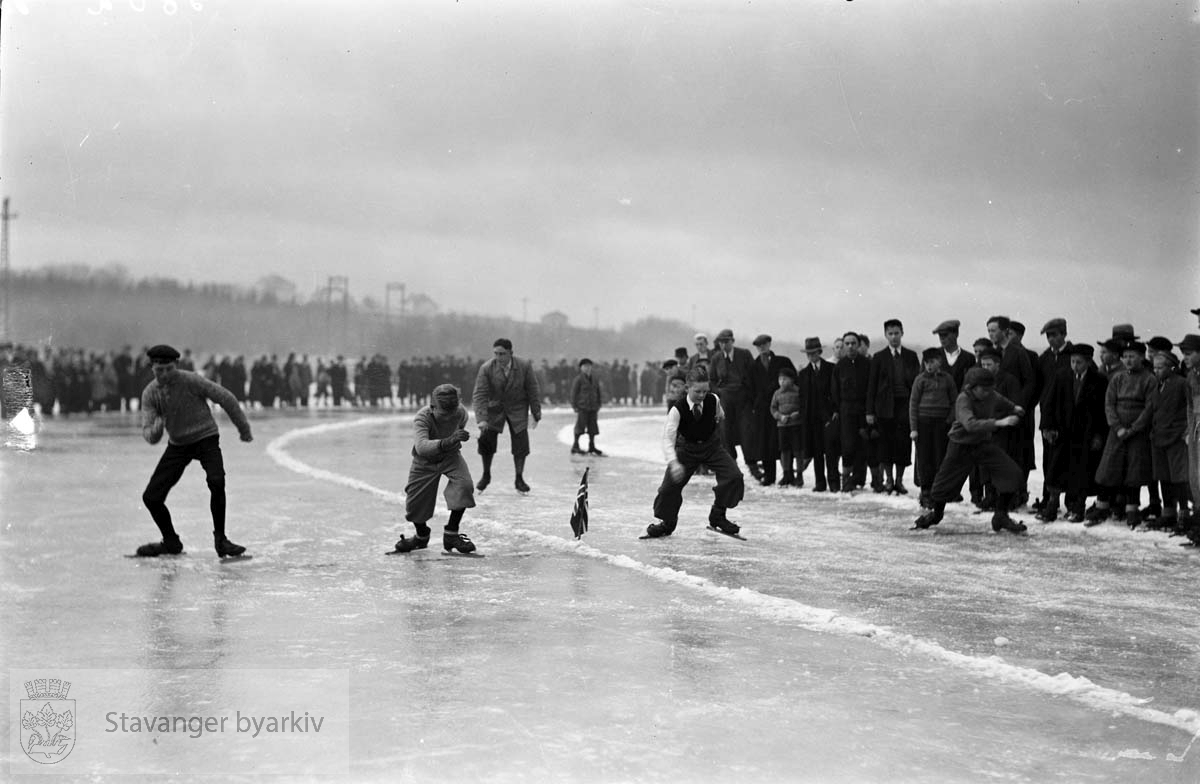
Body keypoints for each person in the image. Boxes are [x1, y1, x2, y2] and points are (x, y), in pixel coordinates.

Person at [136, 344, 253, 558]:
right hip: (178, 444)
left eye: (169, 369)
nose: (164, 375)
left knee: (217, 481)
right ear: (152, 368)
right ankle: (171, 541)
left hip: (205, 437)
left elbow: (225, 397)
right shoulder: (150, 393)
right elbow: (149, 434)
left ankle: (221, 540)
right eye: (159, 370)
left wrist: (243, 428)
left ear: (177, 366)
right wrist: (156, 429)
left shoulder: (191, 380)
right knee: (151, 497)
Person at [912, 367, 1028, 534]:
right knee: (942, 487)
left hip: (982, 445)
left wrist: (1014, 407)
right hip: (960, 446)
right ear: (973, 387)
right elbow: (970, 424)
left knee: (1012, 473)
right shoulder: (963, 400)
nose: (988, 393)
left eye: (990, 388)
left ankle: (1001, 516)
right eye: (984, 389)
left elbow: (1000, 400)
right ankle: (935, 515)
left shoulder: (991, 394)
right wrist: (999, 423)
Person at [644, 366, 744, 538]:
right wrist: (674, 463)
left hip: (711, 447)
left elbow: (720, 414)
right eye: (698, 391)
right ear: (687, 388)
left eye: (705, 391)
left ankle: (718, 515)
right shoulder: (677, 410)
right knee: (668, 489)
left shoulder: (713, 399)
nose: (702, 395)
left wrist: (719, 417)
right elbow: (668, 439)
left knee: (734, 476)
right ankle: (667, 523)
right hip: (686, 450)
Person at [392, 384, 477, 554]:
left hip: (450, 457)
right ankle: (421, 536)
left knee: (464, 486)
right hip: (424, 461)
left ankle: (451, 533)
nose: (448, 417)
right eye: (444, 413)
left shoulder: (460, 412)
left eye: (452, 413)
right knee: (415, 504)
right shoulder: (422, 418)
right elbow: (422, 447)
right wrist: (450, 440)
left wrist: (457, 438)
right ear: (433, 406)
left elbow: (459, 425)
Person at [1038, 344, 1108, 523]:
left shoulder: (1098, 380)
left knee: (1082, 472)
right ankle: (1052, 506)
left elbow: (1102, 412)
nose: (1075, 365)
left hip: (1085, 434)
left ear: (1088, 361)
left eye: (1079, 362)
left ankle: (1078, 508)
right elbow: (1049, 402)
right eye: (1072, 361)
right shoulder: (1062, 376)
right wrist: (1047, 427)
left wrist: (1099, 436)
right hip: (1062, 433)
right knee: (1055, 470)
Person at [1091, 341, 1156, 528]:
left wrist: (1134, 428)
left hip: (1138, 433)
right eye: (1125, 356)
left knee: (1134, 471)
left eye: (1132, 356)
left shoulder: (1149, 379)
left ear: (1142, 358)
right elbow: (1109, 404)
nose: (1128, 360)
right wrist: (1117, 426)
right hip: (1117, 431)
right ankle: (1102, 506)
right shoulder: (1117, 379)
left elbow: (1150, 408)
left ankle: (1132, 509)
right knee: (1108, 467)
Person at [472, 338, 542, 493]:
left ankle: (519, 478)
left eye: (502, 354)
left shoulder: (524, 366)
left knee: (521, 444)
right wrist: (482, 419)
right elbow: (480, 394)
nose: (498, 357)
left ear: (511, 353)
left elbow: (532, 389)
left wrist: (535, 412)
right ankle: (486, 474)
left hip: (517, 408)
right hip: (494, 408)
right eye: (495, 353)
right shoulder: (486, 368)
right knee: (486, 441)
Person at [866, 319, 920, 494]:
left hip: (905, 405)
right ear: (885, 335)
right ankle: (888, 480)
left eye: (897, 333)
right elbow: (871, 386)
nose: (894, 337)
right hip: (884, 407)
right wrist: (870, 411)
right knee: (886, 444)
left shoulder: (911, 356)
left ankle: (899, 480)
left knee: (903, 444)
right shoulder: (879, 357)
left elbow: (917, 384)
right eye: (890, 333)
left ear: (902, 333)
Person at [909, 348, 957, 509]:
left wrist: (950, 421)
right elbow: (913, 405)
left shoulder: (947, 379)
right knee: (924, 458)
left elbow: (954, 401)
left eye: (932, 362)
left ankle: (939, 492)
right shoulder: (920, 380)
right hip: (923, 423)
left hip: (942, 423)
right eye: (926, 362)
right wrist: (914, 428)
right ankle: (925, 492)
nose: (929, 366)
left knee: (940, 457)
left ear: (939, 362)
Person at [1146, 352, 1190, 531]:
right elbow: (1153, 410)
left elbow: (1190, 407)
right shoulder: (1158, 385)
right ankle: (1168, 513)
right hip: (1159, 436)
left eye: (1160, 367)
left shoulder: (1181, 383)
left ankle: (1184, 514)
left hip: (1176, 437)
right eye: (1154, 367)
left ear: (1171, 367)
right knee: (1163, 475)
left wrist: (1186, 430)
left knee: (1179, 477)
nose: (1156, 370)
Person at [709, 328, 759, 476]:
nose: (724, 345)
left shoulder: (744, 354)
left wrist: (752, 398)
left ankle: (752, 466)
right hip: (725, 400)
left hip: (743, 400)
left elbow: (754, 376)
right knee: (726, 433)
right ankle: (732, 466)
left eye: (726, 342)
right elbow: (711, 380)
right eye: (721, 342)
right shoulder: (716, 358)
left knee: (747, 432)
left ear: (732, 341)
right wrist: (718, 393)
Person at [749, 334, 795, 486]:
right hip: (762, 410)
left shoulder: (782, 361)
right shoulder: (753, 366)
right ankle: (769, 476)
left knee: (784, 442)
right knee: (765, 443)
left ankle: (788, 474)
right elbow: (749, 388)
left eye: (764, 344)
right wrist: (754, 405)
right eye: (758, 345)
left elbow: (794, 378)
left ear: (769, 344)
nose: (762, 347)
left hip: (783, 407)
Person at [832, 331, 870, 491]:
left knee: (863, 444)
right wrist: (836, 409)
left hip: (863, 409)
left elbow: (871, 389)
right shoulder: (840, 366)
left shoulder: (867, 364)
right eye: (847, 343)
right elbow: (834, 390)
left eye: (853, 343)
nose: (850, 346)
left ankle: (860, 479)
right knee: (847, 446)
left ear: (859, 345)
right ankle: (846, 481)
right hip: (846, 410)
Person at [799, 337, 839, 492]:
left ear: (820, 352)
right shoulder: (803, 373)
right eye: (808, 353)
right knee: (816, 453)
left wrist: (835, 411)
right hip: (811, 419)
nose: (810, 356)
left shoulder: (831, 368)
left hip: (829, 417)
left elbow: (836, 392)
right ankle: (820, 483)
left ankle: (834, 484)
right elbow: (802, 398)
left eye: (813, 353)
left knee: (831, 453)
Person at [770, 366, 806, 486]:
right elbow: (773, 408)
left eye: (785, 379)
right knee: (784, 450)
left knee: (797, 450)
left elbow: (803, 406)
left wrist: (798, 414)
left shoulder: (798, 391)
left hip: (796, 425)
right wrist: (779, 416)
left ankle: (799, 475)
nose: (782, 382)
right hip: (782, 425)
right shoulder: (777, 393)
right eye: (780, 379)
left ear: (792, 379)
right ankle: (786, 474)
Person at [570, 358, 604, 455]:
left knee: (593, 428)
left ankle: (591, 446)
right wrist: (574, 406)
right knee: (580, 427)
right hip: (583, 407)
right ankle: (575, 446)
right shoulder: (578, 379)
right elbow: (574, 394)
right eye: (585, 366)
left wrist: (599, 404)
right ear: (581, 368)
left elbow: (598, 392)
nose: (587, 368)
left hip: (593, 407)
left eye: (589, 366)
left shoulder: (595, 379)